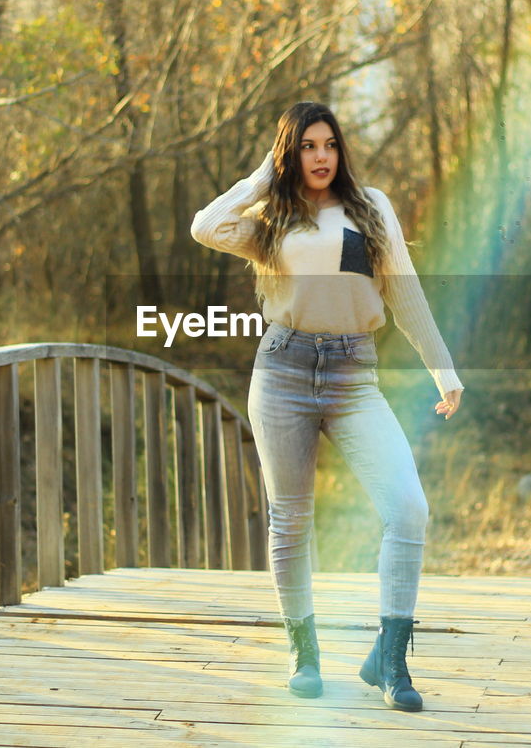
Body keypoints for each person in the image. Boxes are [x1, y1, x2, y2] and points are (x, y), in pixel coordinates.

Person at [190, 101, 464, 712]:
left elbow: (405, 293)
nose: (321, 157)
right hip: (282, 370)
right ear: (292, 153)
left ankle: (390, 660)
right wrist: (266, 174)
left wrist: (443, 369)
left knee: (408, 508)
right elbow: (205, 227)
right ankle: (303, 653)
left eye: (329, 145)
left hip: (353, 376)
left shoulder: (371, 209)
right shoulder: (270, 218)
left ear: (341, 151)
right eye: (307, 146)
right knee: (290, 518)